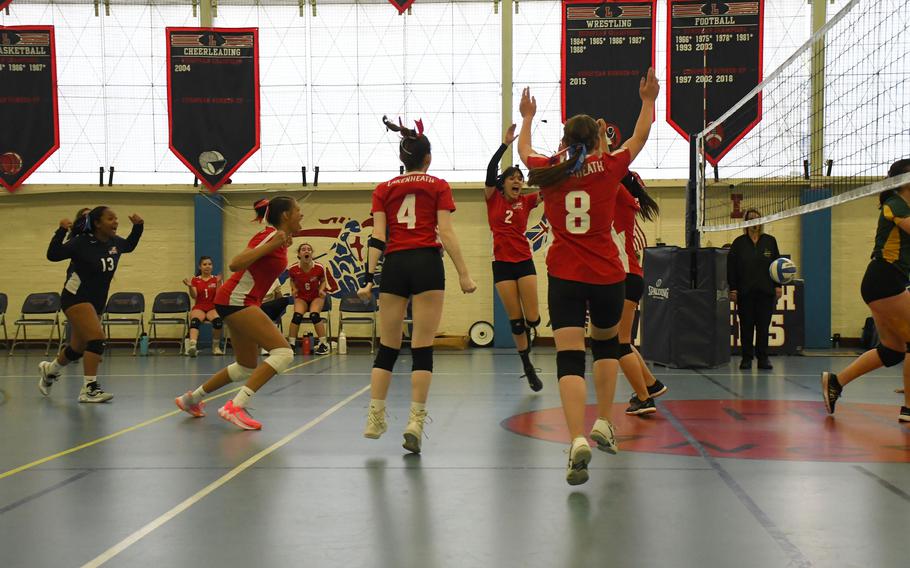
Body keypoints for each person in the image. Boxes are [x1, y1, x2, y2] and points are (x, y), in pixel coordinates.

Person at [518, 67, 659, 485]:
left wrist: (527, 117)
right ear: (596, 139)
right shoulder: (608, 166)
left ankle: (577, 437)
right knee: (608, 349)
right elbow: (639, 136)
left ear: (564, 139)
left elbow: (525, 151)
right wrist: (648, 99)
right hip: (606, 277)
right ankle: (603, 422)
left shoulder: (549, 170)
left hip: (564, 275)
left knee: (568, 358)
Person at [359, 115, 477, 454]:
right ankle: (415, 421)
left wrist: (369, 278)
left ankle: (375, 416)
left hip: (395, 265)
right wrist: (464, 274)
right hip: (426, 262)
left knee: (388, 346)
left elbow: (378, 237)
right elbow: (447, 232)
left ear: (402, 159)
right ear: (428, 158)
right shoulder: (437, 185)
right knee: (422, 346)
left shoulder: (383, 189)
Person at [174, 197, 302, 430]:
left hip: (238, 300)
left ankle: (190, 399)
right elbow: (235, 264)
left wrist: (278, 246)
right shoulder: (271, 236)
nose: (301, 215)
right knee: (283, 353)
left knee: (245, 365)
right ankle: (235, 406)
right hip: (237, 300)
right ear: (285, 215)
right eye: (298, 211)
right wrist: (271, 245)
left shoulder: (279, 238)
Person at [823, 159, 910, 422]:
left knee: (893, 350)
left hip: (883, 281)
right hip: (885, 280)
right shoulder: (894, 203)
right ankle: (909, 408)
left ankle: (836, 382)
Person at [39, 206, 144, 402]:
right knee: (96, 339)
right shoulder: (81, 243)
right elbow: (53, 255)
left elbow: (129, 245)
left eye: (116, 218)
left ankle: (50, 369)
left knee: (77, 348)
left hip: (96, 301)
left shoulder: (115, 243)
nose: (115, 222)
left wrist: (138, 226)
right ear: (97, 223)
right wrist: (61, 230)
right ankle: (89, 389)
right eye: (110, 219)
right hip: (75, 297)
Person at [484, 124, 543, 391]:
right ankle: (527, 366)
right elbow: (490, 170)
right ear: (503, 183)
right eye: (512, 178)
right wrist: (505, 144)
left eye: (520, 178)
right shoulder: (493, 198)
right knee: (516, 322)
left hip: (524, 261)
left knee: (533, 319)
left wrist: (558, 165)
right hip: (502, 265)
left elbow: (549, 191)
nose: (518, 181)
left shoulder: (527, 201)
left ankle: (531, 332)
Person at [613, 172, 667, 414]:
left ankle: (644, 399)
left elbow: (606, 168)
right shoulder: (627, 201)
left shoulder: (620, 195)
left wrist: (599, 136)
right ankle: (652, 384)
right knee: (623, 340)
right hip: (630, 276)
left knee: (618, 344)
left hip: (624, 276)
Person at [728, 208, 782, 370]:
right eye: (751, 219)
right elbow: (732, 268)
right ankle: (746, 358)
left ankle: (763, 358)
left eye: (757, 219)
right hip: (745, 293)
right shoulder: (738, 243)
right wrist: (733, 289)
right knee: (746, 326)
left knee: (763, 327)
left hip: (765, 292)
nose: (755, 222)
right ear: (746, 223)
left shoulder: (770, 241)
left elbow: (777, 265)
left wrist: (778, 286)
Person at [287, 243, 330, 355]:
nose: (306, 251)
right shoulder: (293, 269)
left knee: (314, 315)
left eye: (309, 249)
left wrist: (321, 289)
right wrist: (294, 289)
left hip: (316, 296)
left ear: (311, 254)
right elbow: (291, 280)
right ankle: (291, 344)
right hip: (301, 297)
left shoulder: (319, 267)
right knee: (297, 316)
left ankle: (323, 344)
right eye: (303, 249)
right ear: (299, 254)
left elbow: (324, 280)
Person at [182, 256, 223, 356]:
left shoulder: (216, 279)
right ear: (200, 267)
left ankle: (216, 346)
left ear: (212, 266)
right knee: (195, 321)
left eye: (209, 264)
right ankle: (192, 346)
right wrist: (190, 287)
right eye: (204, 264)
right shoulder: (195, 280)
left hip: (212, 307)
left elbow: (219, 296)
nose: (207, 266)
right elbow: (194, 296)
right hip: (199, 306)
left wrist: (218, 283)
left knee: (218, 323)